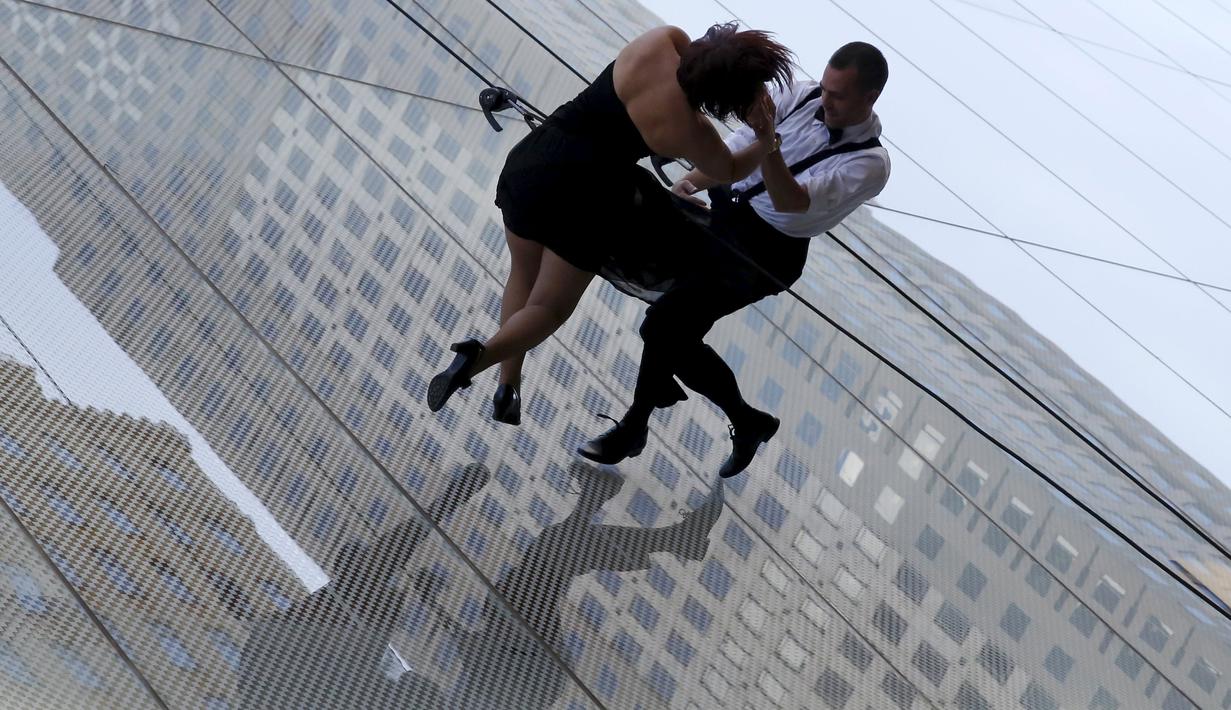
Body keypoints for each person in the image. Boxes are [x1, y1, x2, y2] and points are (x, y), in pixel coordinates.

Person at [426, 23, 794, 424]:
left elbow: (694, 55)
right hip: (590, 197)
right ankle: (477, 359)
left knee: (523, 273)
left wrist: (728, 63)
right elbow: (730, 169)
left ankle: (508, 384)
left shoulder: (660, 41)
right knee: (549, 307)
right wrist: (766, 137)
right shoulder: (691, 130)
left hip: (539, 159)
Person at [579, 41, 892, 478]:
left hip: (766, 252)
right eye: (825, 88)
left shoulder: (871, 163)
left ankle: (636, 426)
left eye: (838, 95)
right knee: (671, 331)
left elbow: (791, 201)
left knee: (664, 326)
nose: (825, 100)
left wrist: (769, 143)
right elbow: (736, 152)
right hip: (724, 215)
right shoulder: (799, 94)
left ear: (870, 97)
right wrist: (692, 181)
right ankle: (746, 422)